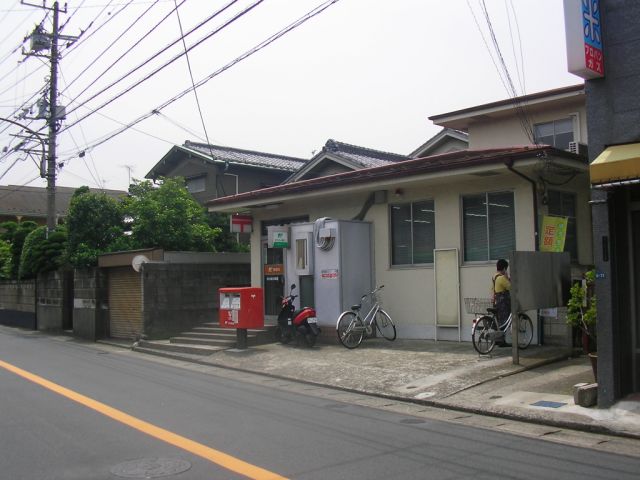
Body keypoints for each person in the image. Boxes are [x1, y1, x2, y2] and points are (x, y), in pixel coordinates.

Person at [492, 259, 511, 328]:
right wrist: (508, 278)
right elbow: (510, 287)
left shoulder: (494, 276)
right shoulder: (502, 278)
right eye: (506, 268)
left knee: (499, 321)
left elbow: (492, 288)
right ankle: (502, 337)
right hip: (503, 303)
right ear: (504, 268)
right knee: (504, 322)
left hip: (496, 301)